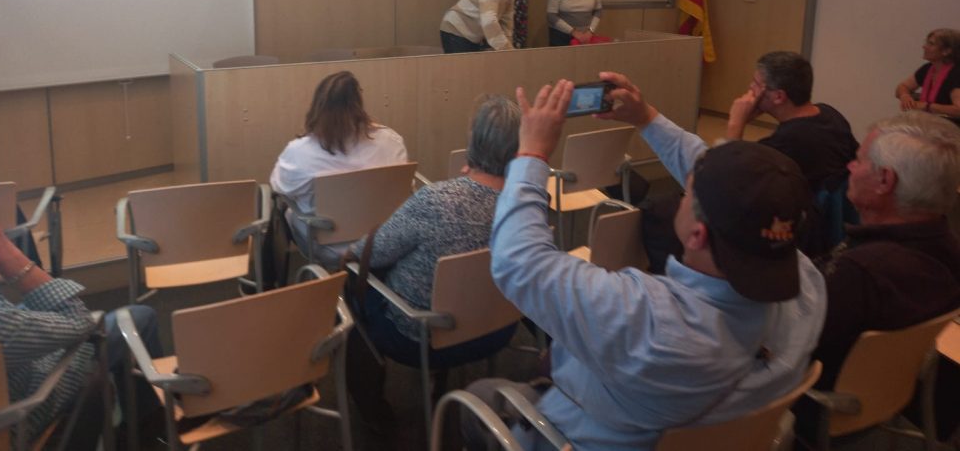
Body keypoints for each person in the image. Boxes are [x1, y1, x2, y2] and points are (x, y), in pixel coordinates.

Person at [465, 74, 826, 451]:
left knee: (482, 396)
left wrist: (532, 155)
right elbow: (722, 182)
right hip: (708, 433)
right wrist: (647, 119)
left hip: (575, 433)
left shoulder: (645, 320)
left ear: (697, 235)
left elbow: (518, 261)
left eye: (688, 191)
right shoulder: (807, 288)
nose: (685, 186)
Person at [343, 95, 522, 428]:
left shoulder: (436, 200)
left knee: (354, 285)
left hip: (419, 339)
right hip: (497, 329)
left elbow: (369, 252)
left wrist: (348, 254)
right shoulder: (528, 203)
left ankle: (373, 412)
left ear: (473, 141)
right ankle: (440, 379)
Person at [0, 185, 163, 446]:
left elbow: (3, 324)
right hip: (12, 417)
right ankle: (151, 434)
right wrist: (9, 257)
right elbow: (80, 321)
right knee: (138, 318)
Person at [811, 110, 960, 388]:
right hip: (891, 389)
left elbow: (794, 348)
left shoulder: (860, 273)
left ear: (885, 181)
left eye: (859, 160)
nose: (850, 167)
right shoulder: (948, 249)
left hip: (823, 398)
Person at [270, 70, 408, 266]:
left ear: (317, 107)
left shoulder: (299, 151)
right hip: (382, 239)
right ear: (359, 104)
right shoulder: (390, 140)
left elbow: (279, 187)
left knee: (286, 209)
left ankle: (275, 278)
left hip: (328, 246)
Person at [726, 51, 858, 251]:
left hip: (803, 235)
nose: (750, 88)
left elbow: (729, 180)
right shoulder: (830, 114)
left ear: (778, 96)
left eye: (756, 84)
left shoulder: (784, 144)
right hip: (839, 226)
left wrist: (736, 123)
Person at [894, 28, 960, 124]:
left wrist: (927, 106)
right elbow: (902, 86)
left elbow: (958, 110)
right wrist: (905, 96)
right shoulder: (928, 68)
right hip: (931, 125)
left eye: (931, 44)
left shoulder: (956, 73)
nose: (924, 47)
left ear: (946, 51)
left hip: (951, 128)